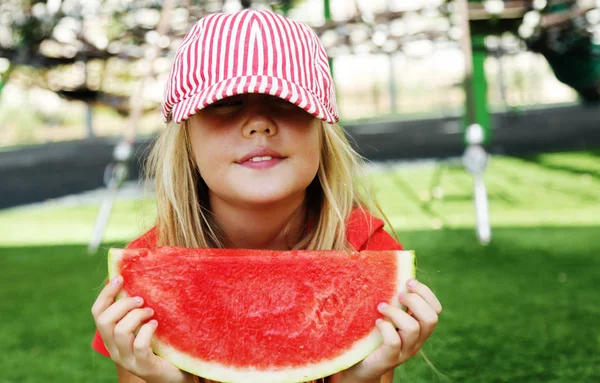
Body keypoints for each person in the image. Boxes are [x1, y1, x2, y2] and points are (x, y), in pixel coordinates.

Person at [91, 9, 442, 383]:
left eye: (285, 101)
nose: (259, 122)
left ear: (320, 128)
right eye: (225, 103)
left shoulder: (365, 248)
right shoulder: (149, 271)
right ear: (187, 136)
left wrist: (360, 378)